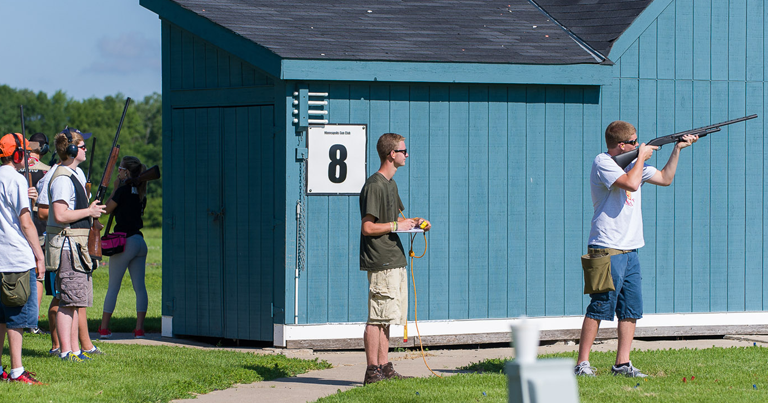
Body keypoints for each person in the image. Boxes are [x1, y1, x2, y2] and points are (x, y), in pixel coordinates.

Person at [574, 121, 697, 377]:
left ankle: (622, 364)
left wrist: (678, 149)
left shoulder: (633, 163)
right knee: (599, 306)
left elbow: (665, 179)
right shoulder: (603, 162)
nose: (638, 144)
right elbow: (630, 184)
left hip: (631, 250)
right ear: (623, 145)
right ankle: (582, 364)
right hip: (606, 247)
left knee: (630, 309)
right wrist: (641, 156)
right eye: (634, 141)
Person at [359, 133, 431, 385]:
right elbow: (368, 228)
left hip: (396, 259)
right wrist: (395, 226)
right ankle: (372, 372)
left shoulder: (391, 185)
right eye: (403, 150)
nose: (406, 154)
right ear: (392, 154)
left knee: (388, 317)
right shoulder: (375, 185)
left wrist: (416, 223)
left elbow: (397, 221)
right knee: (376, 318)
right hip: (381, 261)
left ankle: (384, 367)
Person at [45, 128, 106, 362]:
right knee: (67, 302)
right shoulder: (62, 179)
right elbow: (60, 215)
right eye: (81, 146)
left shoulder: (75, 174)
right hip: (69, 248)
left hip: (77, 247)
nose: (85, 149)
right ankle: (65, 352)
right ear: (70, 150)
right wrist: (89, 211)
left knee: (74, 301)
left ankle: (75, 350)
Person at [0, 133, 45, 384]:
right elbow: (26, 223)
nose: (28, 156)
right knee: (16, 319)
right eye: (25, 152)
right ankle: (17, 370)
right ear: (16, 154)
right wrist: (38, 255)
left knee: (0, 317)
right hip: (15, 258)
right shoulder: (16, 180)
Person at [99, 156, 149, 339]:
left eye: (120, 169)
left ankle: (104, 328)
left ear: (126, 172)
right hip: (139, 241)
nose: (118, 172)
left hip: (125, 242)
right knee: (140, 288)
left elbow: (106, 209)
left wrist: (114, 190)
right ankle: (139, 329)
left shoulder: (122, 191)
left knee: (113, 287)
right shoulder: (140, 192)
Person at [18, 132, 50, 335]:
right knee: (38, 276)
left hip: (18, 228)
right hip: (38, 227)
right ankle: (32, 322)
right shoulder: (47, 171)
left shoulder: (16, 169)